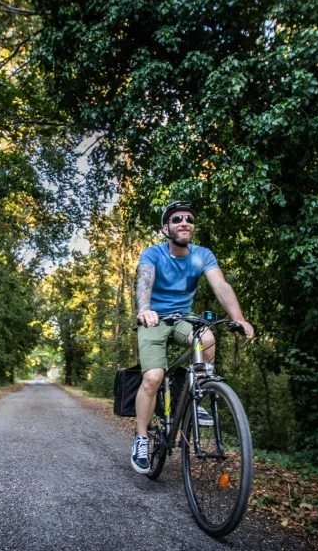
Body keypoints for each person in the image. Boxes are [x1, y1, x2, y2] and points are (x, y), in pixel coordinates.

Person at [131, 200, 255, 474]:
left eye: (189, 218)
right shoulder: (153, 254)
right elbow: (144, 283)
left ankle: (196, 397)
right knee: (153, 377)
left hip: (183, 319)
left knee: (208, 338)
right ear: (166, 228)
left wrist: (239, 319)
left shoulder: (203, 255)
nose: (185, 222)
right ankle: (141, 438)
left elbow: (221, 285)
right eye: (177, 219)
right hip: (154, 319)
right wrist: (145, 310)